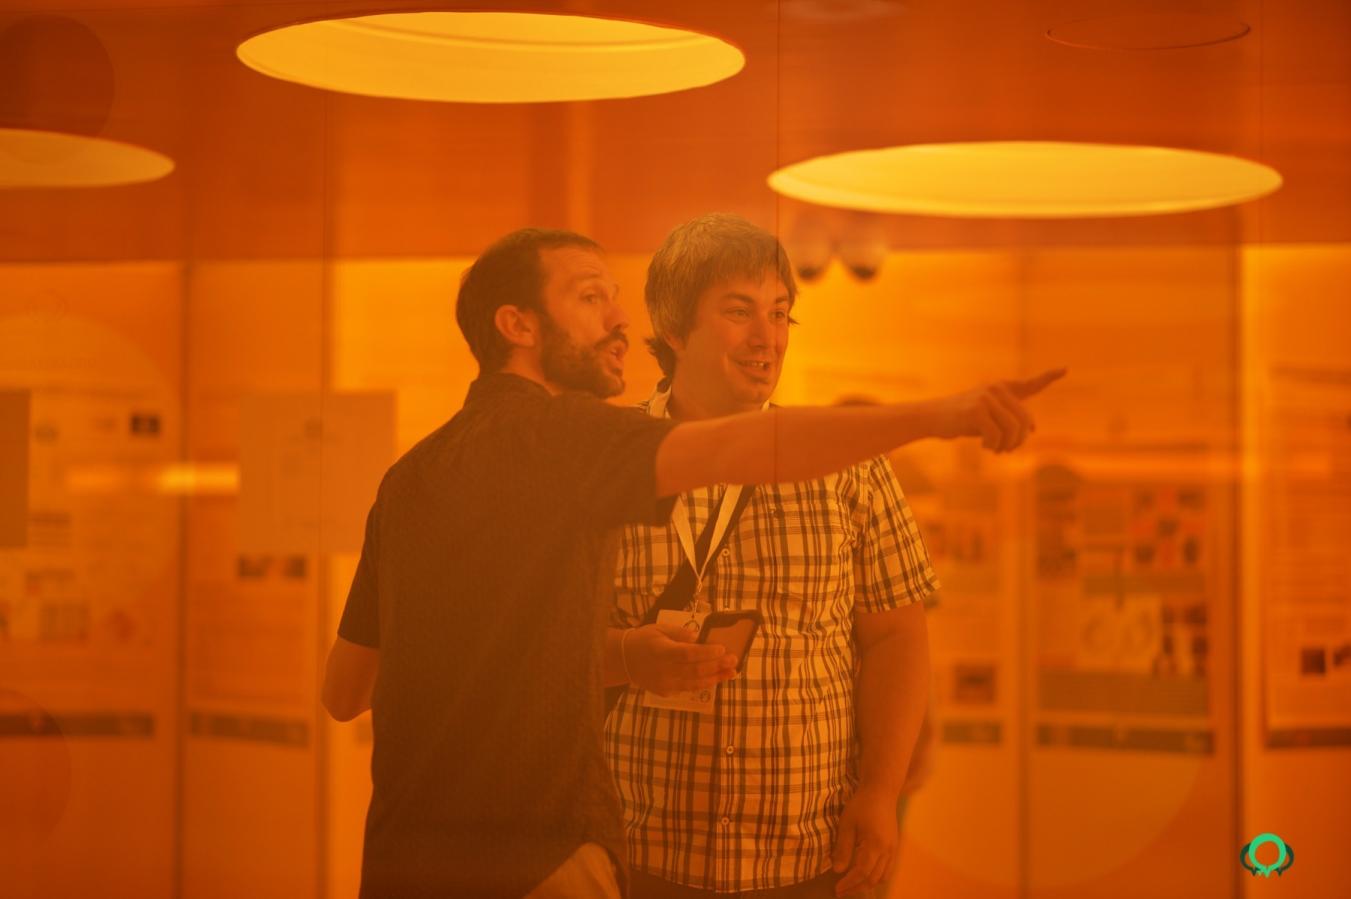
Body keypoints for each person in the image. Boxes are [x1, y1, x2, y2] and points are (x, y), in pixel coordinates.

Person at [321, 225, 1060, 898]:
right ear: (518, 325)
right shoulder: (572, 441)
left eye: (781, 314)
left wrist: (565, 661)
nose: (618, 319)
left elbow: (346, 688)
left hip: (409, 858)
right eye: (591, 298)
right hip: (549, 856)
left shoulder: (412, 475)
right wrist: (941, 415)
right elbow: (748, 447)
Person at [602, 214, 1061, 898]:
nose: (767, 339)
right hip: (634, 851)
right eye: (739, 312)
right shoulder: (607, 461)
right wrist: (623, 654)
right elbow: (543, 643)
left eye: (780, 313)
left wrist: (880, 791)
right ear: (673, 326)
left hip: (808, 858)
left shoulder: (851, 467)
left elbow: (896, 635)